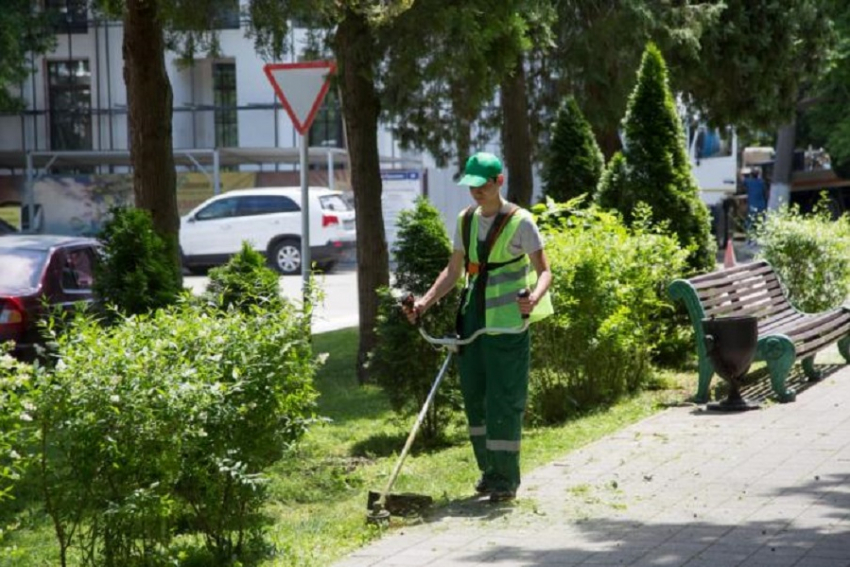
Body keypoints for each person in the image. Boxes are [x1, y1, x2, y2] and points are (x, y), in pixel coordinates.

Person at [403, 152, 553, 503]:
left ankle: (506, 480)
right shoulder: (466, 220)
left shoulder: (522, 222)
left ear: (498, 181)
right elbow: (454, 272)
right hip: (472, 322)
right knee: (476, 400)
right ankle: (489, 471)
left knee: (504, 401)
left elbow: (545, 271)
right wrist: (424, 303)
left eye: (481, 185)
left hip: (507, 326)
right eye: (470, 186)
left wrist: (533, 297)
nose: (475, 192)